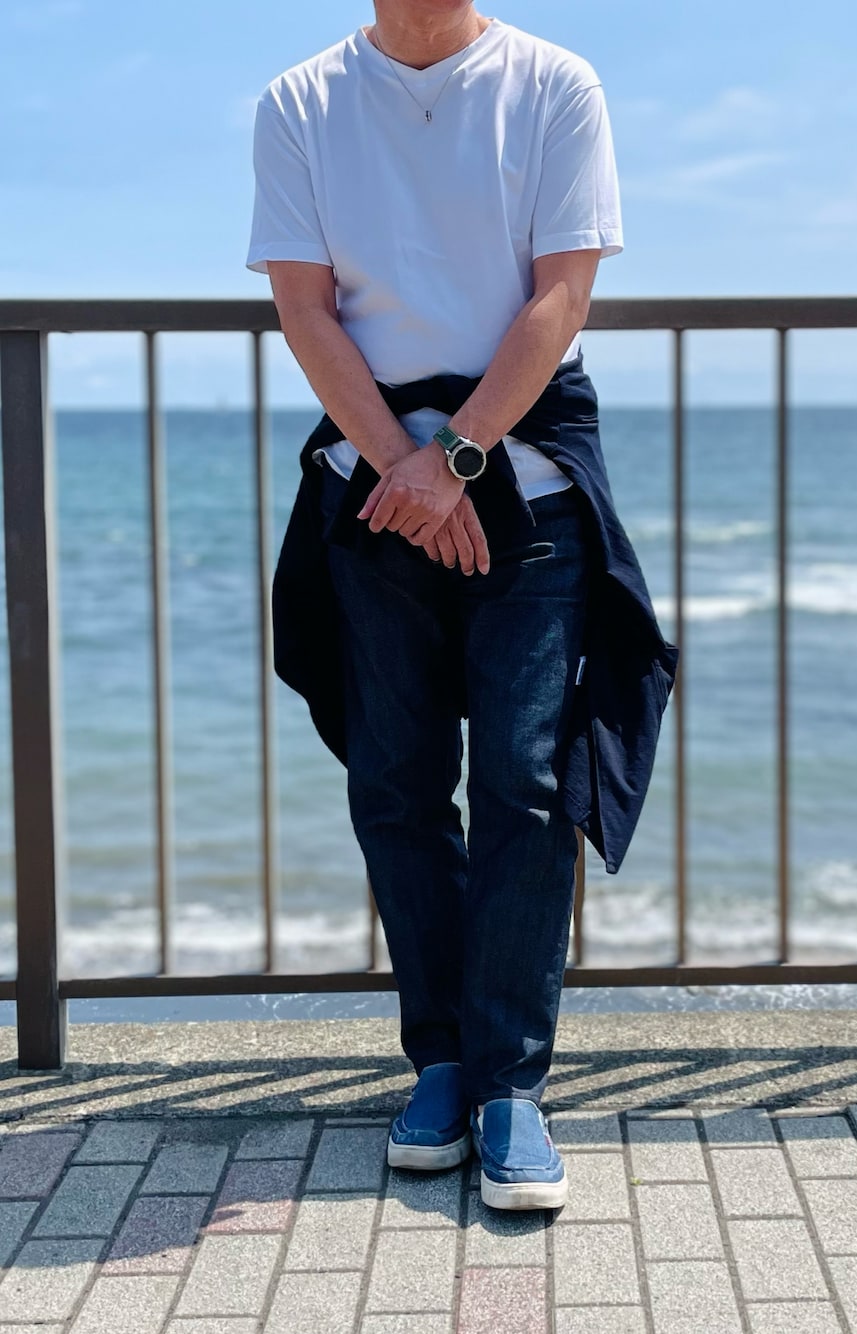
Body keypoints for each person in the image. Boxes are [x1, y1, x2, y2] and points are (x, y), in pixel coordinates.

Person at [247, 0, 678, 1211]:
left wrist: (456, 459)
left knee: (525, 784)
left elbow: (560, 297)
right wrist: (406, 469)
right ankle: (438, 1062)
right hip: (377, 490)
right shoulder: (301, 100)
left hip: (525, 487)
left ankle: (510, 1087)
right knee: (395, 781)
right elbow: (304, 305)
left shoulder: (554, 83)